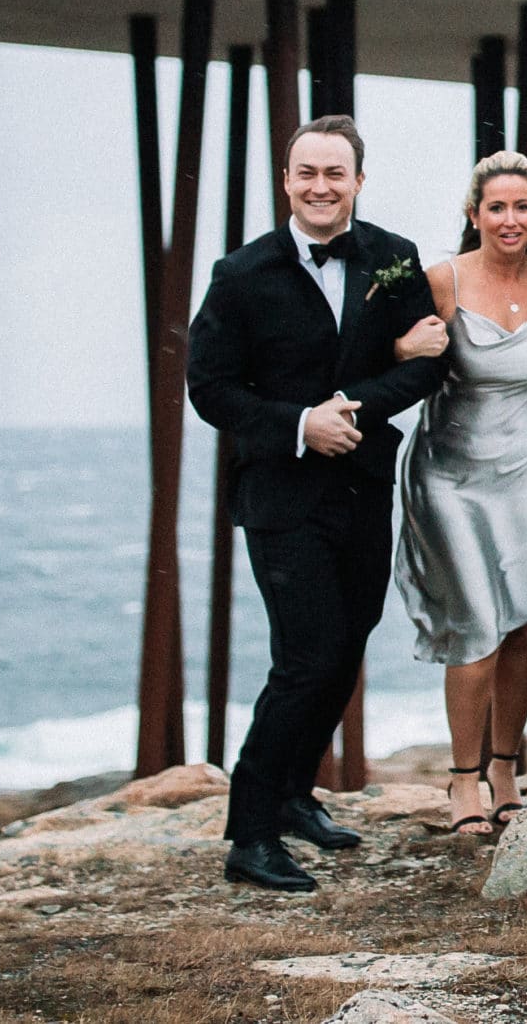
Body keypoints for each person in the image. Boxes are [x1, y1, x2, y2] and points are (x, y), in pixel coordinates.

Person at [186, 116, 447, 893]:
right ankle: (251, 833)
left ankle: (296, 794)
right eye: (307, 173)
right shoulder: (240, 274)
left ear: (358, 182)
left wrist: (350, 407)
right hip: (280, 493)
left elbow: (428, 361)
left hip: (363, 485)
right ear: (287, 181)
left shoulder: (393, 258)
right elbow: (210, 388)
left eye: (335, 173)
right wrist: (302, 424)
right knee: (307, 658)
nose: (320, 187)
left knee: (346, 645)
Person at [390, 151, 527, 836]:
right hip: (450, 477)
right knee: (474, 624)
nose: (510, 219)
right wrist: (402, 350)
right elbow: (385, 355)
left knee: (522, 623)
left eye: (522, 207)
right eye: (497, 207)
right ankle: (463, 779)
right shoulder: (442, 280)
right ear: (474, 213)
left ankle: (505, 767)